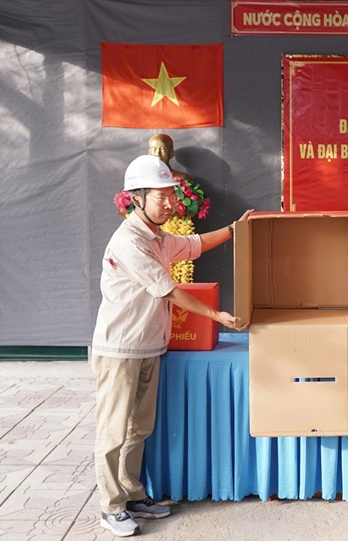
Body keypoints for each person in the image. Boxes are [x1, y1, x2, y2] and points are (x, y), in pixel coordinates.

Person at [91, 155, 247, 537]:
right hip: (119, 350)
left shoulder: (158, 238)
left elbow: (195, 244)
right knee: (113, 431)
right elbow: (171, 291)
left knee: (139, 428)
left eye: (171, 196)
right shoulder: (129, 242)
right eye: (160, 197)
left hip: (148, 347)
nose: (169, 203)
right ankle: (110, 508)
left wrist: (234, 229)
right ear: (137, 198)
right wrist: (216, 315)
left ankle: (132, 495)